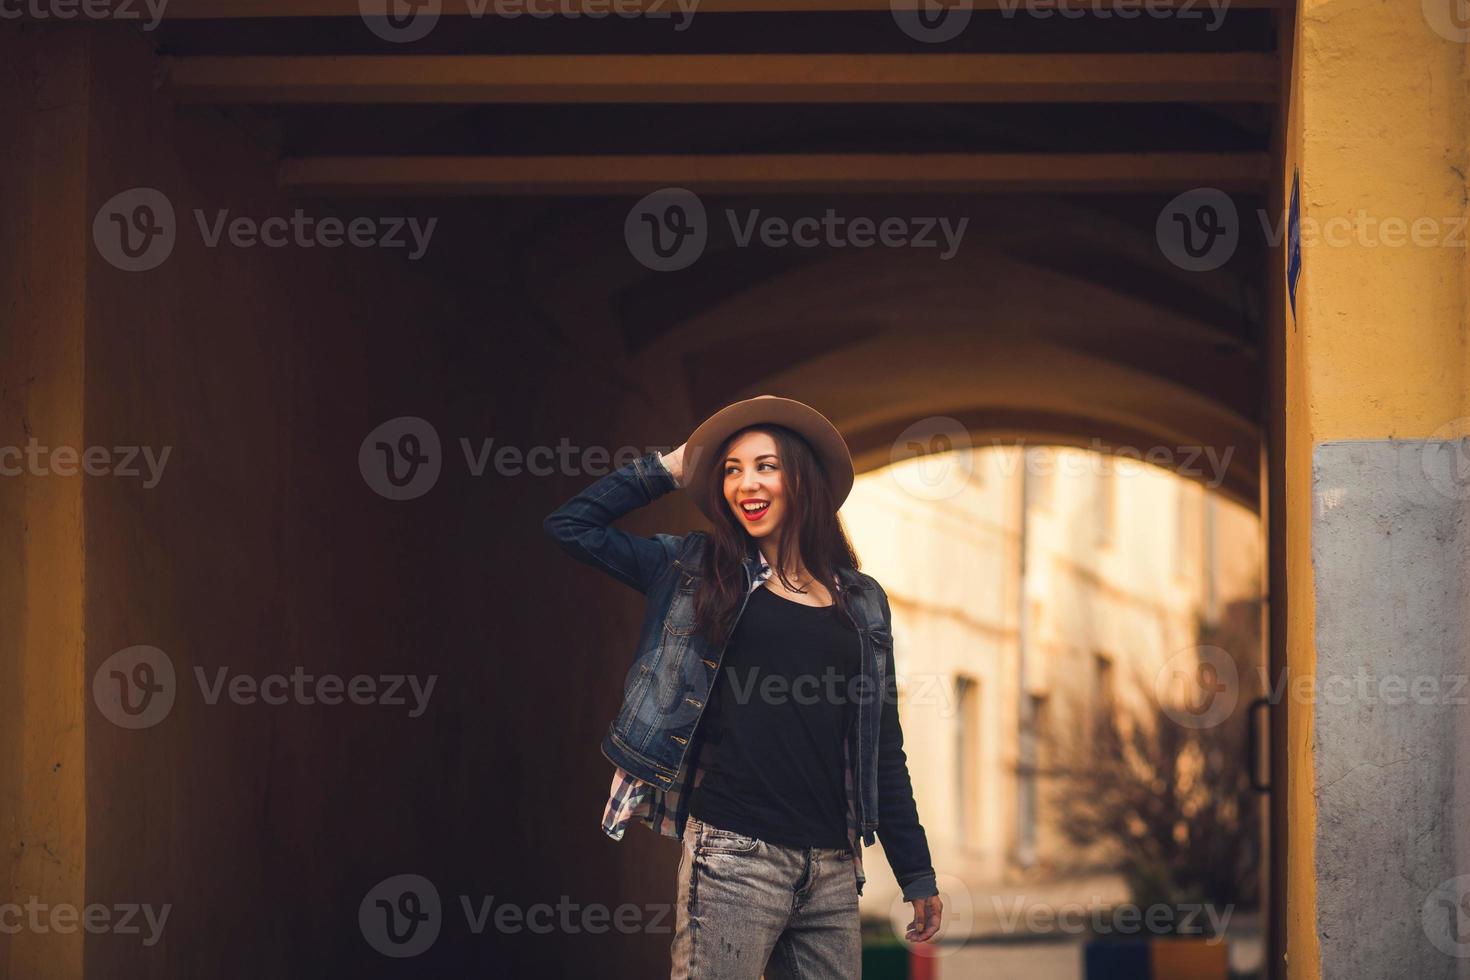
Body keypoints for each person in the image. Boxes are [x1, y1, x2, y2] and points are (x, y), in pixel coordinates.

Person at [543, 395, 942, 979]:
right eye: (731, 469)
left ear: (801, 480)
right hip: (733, 857)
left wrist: (916, 871)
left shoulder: (861, 601)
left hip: (831, 866)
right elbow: (569, 527)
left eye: (765, 466)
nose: (744, 483)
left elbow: (883, 746)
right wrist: (669, 468)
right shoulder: (693, 571)